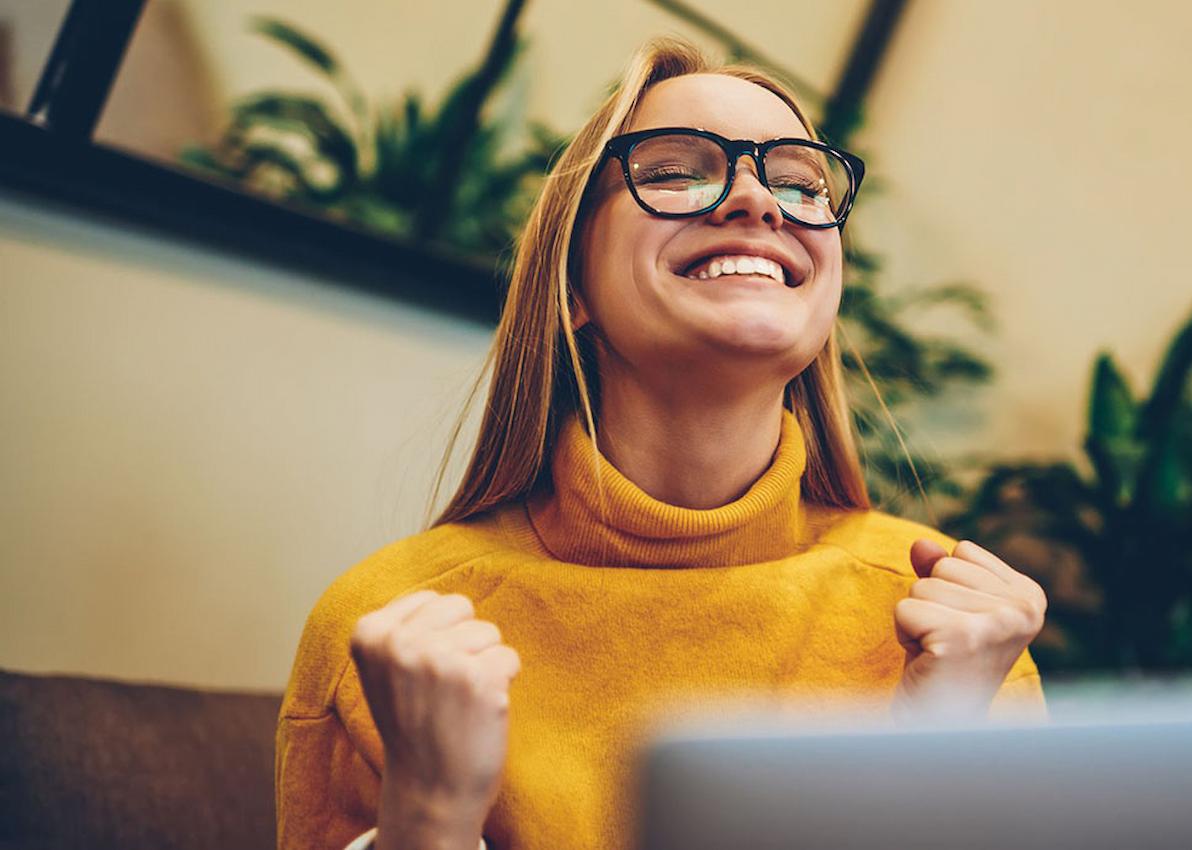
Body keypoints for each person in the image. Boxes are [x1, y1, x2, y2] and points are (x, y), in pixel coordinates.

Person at [275, 35, 1047, 850]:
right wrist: (430, 817)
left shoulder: (960, 633)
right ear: (572, 288)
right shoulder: (388, 627)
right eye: (675, 171)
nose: (757, 202)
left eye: (797, 183)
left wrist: (938, 747)